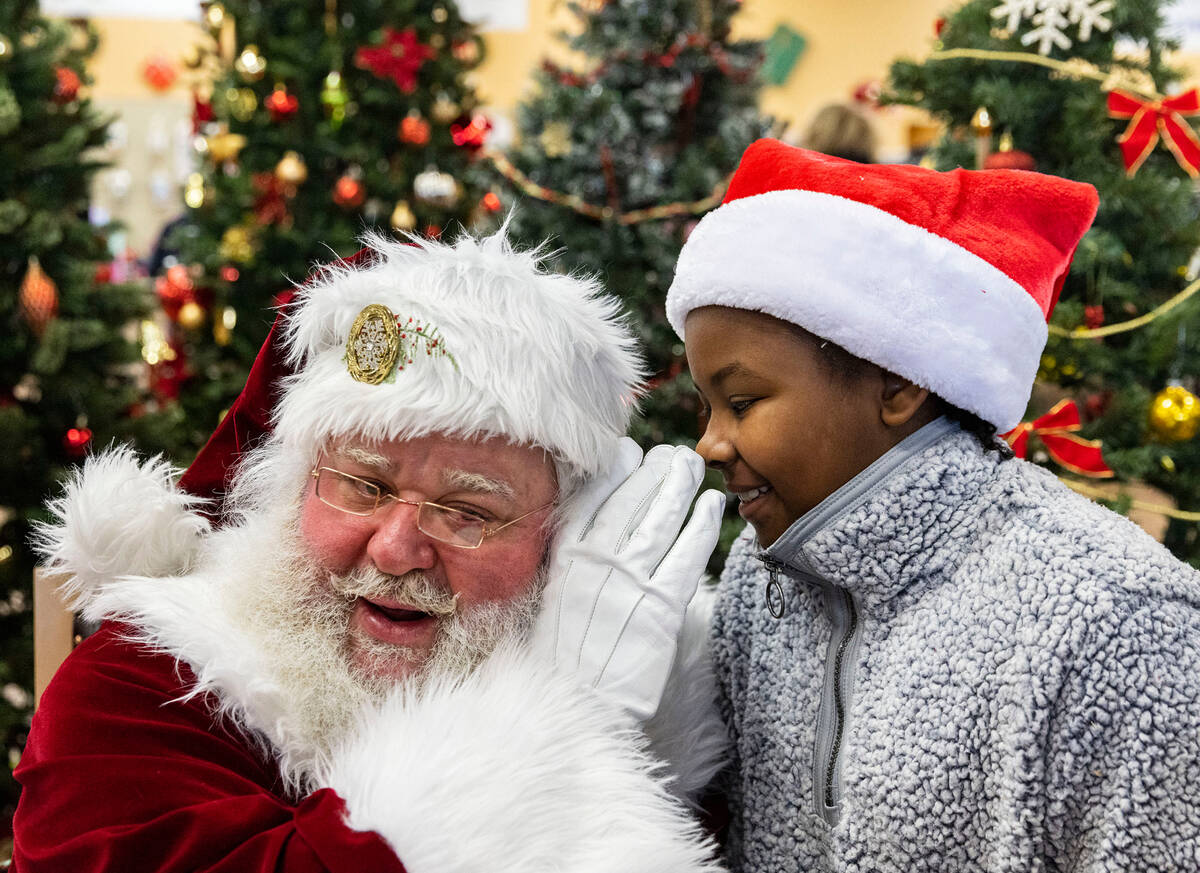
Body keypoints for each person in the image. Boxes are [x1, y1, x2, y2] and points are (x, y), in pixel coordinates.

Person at [13, 229, 729, 872]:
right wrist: (558, 726)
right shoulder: (141, 688)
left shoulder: (682, 729)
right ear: (292, 489)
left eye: (468, 510)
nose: (395, 549)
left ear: (558, 543)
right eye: (362, 484)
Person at [665, 138, 1200, 871]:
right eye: (706, 408)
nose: (711, 444)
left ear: (897, 383)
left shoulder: (1118, 620)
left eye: (743, 400)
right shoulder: (765, 581)